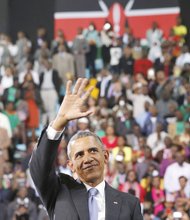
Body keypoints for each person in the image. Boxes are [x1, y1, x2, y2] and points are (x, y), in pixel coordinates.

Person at [29, 78, 143, 220]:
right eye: (79, 155)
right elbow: (38, 168)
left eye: (93, 151)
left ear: (106, 156)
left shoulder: (130, 204)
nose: (87, 158)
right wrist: (59, 122)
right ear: (71, 166)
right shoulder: (57, 193)